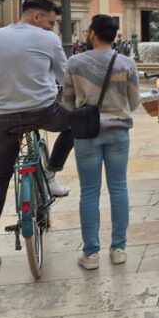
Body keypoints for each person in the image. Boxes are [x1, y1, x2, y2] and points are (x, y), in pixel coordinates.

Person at [0, 0, 73, 268]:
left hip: (5, 118)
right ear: (37, 17)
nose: (52, 28)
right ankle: (50, 173)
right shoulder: (48, 40)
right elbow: (65, 76)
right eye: (50, 22)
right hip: (44, 112)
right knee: (75, 124)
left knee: (0, 174)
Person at [62, 15, 140, 270]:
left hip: (87, 134)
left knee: (89, 191)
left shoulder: (75, 63)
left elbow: (68, 101)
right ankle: (118, 248)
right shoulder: (126, 63)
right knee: (119, 188)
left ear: (93, 34)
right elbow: (134, 101)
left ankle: (91, 254)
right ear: (115, 35)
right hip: (118, 131)